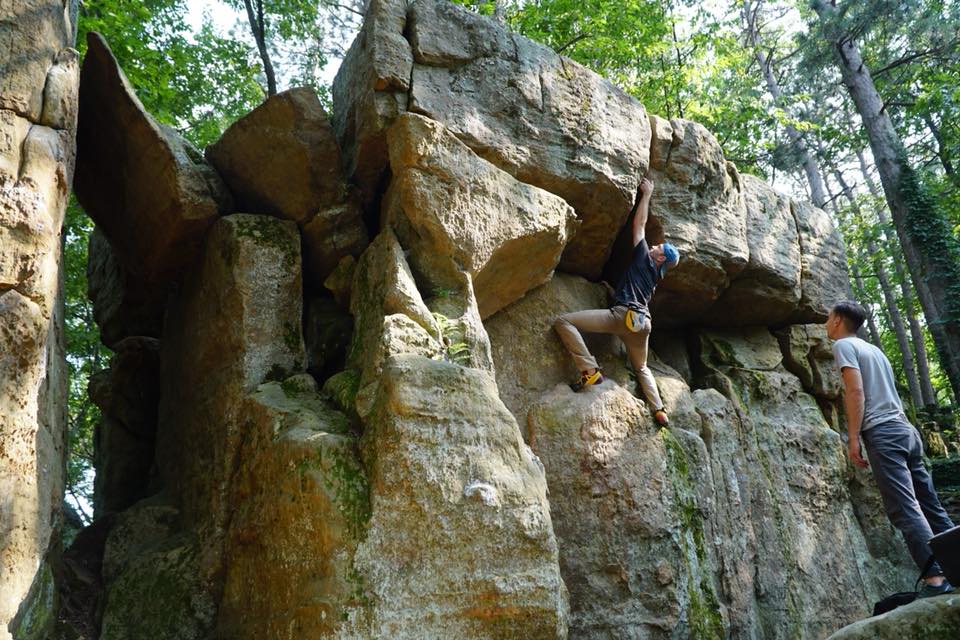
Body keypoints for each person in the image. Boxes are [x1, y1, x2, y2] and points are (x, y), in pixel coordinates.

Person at [826, 300, 956, 598]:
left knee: (904, 507)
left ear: (838, 320)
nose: (825, 323)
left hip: (883, 433)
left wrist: (853, 436)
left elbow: (855, 390)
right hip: (906, 431)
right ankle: (956, 566)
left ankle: (936, 580)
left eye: (828, 317)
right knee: (930, 503)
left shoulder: (844, 347)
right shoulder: (875, 350)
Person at [554, 177, 680, 426]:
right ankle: (659, 409)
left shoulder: (645, 259)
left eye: (659, 248)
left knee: (563, 322)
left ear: (658, 259)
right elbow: (632, 291)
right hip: (642, 325)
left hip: (622, 317)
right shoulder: (654, 276)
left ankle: (589, 370)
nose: (654, 246)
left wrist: (646, 194)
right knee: (642, 368)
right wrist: (612, 291)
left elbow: (640, 225)